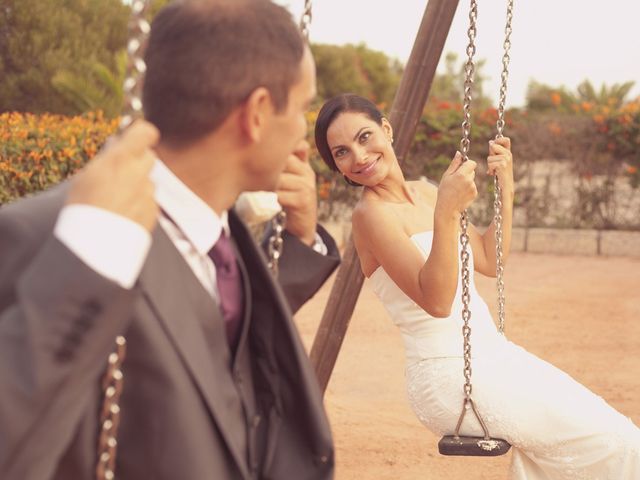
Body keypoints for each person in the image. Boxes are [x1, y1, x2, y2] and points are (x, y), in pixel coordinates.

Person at [0, 1, 341, 479]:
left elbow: (203, 338)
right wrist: (84, 263)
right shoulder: (50, 240)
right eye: (303, 108)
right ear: (258, 113)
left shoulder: (221, 234)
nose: (304, 135)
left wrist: (299, 239)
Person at [314, 93, 640, 479]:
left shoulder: (428, 191)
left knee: (609, 436)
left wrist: (506, 187)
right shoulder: (370, 216)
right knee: (615, 443)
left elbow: (488, 259)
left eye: (365, 137)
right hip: (450, 376)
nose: (359, 156)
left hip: (495, 355)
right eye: (342, 152)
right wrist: (446, 213)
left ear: (386, 129)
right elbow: (437, 301)